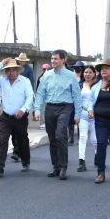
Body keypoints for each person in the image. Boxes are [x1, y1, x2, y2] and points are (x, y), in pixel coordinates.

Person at [34, 49, 82, 180]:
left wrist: (78, 113)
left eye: (55, 59)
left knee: (60, 135)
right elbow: (40, 93)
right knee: (52, 138)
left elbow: (77, 95)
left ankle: (63, 167)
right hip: (50, 108)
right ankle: (55, 166)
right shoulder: (46, 75)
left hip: (65, 108)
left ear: (63, 60)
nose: (53, 61)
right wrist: (37, 110)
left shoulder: (70, 76)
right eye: (52, 59)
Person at [0, 58, 34, 177]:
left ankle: (25, 160)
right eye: (8, 70)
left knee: (22, 140)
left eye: (13, 70)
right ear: (5, 72)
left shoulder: (25, 81)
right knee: (3, 141)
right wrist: (1, 63)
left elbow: (30, 97)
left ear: (17, 71)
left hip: (20, 117)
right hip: (6, 117)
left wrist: (23, 109)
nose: (11, 73)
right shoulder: (2, 81)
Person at [77, 65, 98, 172]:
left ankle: (97, 155)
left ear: (94, 74)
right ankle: (81, 161)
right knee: (83, 137)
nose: (87, 74)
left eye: (90, 72)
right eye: (86, 72)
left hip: (95, 115)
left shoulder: (99, 85)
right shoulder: (79, 85)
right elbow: (76, 100)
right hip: (82, 114)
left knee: (94, 139)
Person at [68, 61, 85, 145]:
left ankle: (79, 138)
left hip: (80, 102)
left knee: (79, 120)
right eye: (75, 68)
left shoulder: (84, 79)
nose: (77, 69)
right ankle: (71, 137)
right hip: (71, 102)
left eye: (78, 68)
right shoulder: (71, 77)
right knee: (70, 119)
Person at [36, 63, 51, 130]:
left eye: (47, 69)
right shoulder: (40, 78)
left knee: (49, 110)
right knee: (42, 110)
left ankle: (49, 123)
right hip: (42, 96)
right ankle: (42, 123)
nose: (45, 70)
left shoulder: (52, 77)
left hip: (50, 96)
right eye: (44, 69)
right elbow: (38, 88)